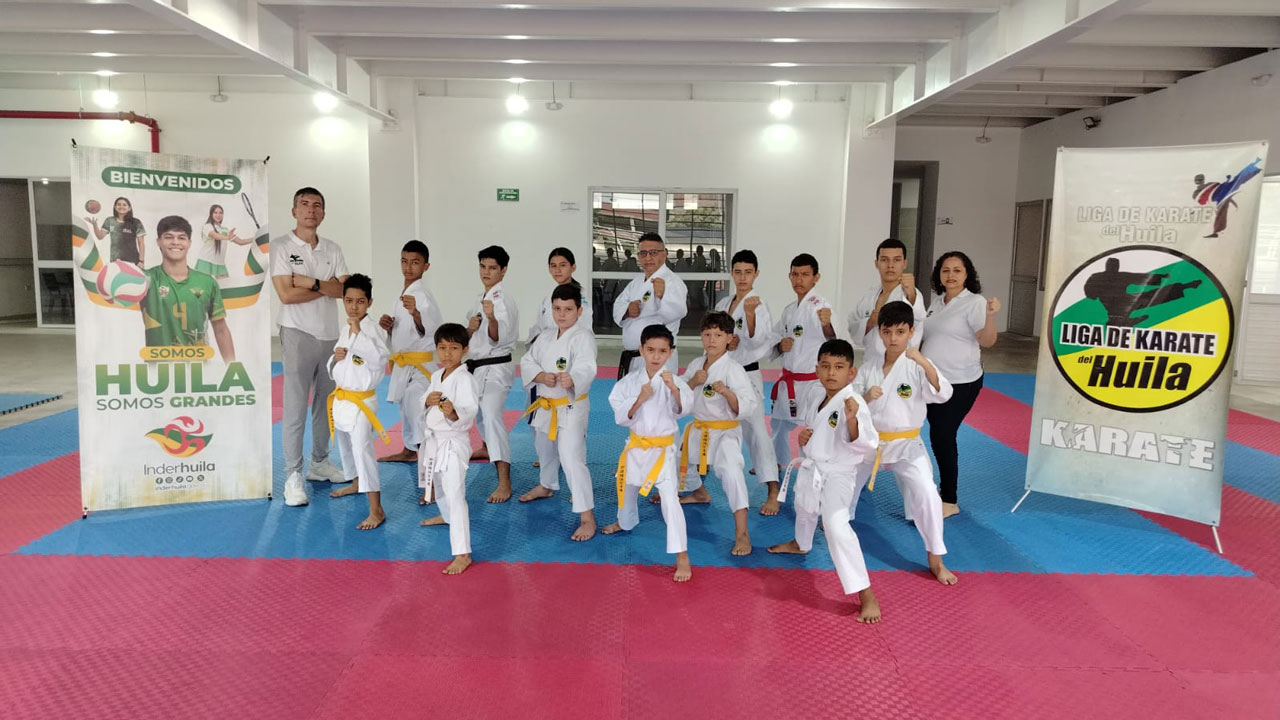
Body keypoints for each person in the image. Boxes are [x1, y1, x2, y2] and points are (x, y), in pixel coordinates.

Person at [767, 339, 882, 623]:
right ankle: (801, 543)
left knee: (835, 526)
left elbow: (867, 442)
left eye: (839, 367)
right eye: (826, 366)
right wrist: (805, 437)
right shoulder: (817, 393)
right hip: (814, 466)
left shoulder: (853, 403)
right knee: (804, 507)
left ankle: (865, 593)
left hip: (839, 474)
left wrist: (852, 421)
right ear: (817, 369)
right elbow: (815, 428)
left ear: (851, 373)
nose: (832, 373)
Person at [851, 301, 957, 586]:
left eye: (900, 332)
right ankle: (836, 523)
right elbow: (852, 404)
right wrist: (867, 397)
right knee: (844, 485)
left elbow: (943, 393)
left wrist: (923, 361)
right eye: (887, 332)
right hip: (871, 442)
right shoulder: (869, 367)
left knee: (928, 494)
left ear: (911, 332)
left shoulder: (917, 366)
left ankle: (936, 559)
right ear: (880, 333)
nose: (893, 338)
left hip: (907, 445)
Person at [270, 187, 349, 507]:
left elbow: (345, 290)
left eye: (317, 206)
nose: (310, 210)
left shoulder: (332, 248)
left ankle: (320, 462)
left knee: (325, 404)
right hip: (297, 332)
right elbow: (286, 295)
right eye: (304, 205)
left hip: (330, 335)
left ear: (323, 213)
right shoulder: (281, 246)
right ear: (294, 211)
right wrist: (326, 286)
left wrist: (309, 282)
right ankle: (292, 474)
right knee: (294, 407)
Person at [604, 323, 695, 582]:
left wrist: (674, 389)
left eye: (662, 351)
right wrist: (639, 400)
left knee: (669, 500)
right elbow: (620, 415)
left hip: (663, 451)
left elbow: (684, 409)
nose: (656, 356)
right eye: (651, 350)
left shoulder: (675, 382)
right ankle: (625, 522)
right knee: (627, 488)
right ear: (641, 349)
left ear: (670, 352)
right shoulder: (629, 382)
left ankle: (681, 554)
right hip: (636, 447)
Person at [922, 252, 1000, 518]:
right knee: (936, 435)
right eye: (946, 270)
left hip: (960, 382)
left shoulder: (975, 302)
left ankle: (949, 499)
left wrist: (990, 316)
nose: (951, 275)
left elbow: (987, 341)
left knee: (942, 436)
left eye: (957, 270)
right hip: (933, 381)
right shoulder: (937, 302)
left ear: (967, 275)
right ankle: (934, 490)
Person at [519, 283, 598, 541]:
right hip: (546, 404)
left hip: (571, 406)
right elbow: (527, 360)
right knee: (544, 449)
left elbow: (587, 366)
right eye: (557, 309)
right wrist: (540, 375)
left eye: (568, 309)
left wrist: (573, 378)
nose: (561, 314)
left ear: (579, 310)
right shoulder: (545, 336)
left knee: (571, 458)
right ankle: (547, 485)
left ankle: (587, 517)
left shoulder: (583, 337)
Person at [672, 312, 755, 556]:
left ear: (729, 338)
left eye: (718, 335)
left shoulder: (734, 369)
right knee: (675, 462)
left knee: (732, 473)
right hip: (699, 427)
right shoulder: (697, 365)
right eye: (707, 334)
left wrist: (728, 393)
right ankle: (700, 493)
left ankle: (742, 532)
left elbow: (748, 405)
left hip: (725, 432)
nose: (711, 339)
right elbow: (678, 394)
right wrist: (692, 382)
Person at [713, 250, 780, 514]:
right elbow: (713, 335)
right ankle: (695, 484)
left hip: (747, 374)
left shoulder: (758, 304)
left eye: (748, 272)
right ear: (731, 273)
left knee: (757, 432)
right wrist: (726, 342)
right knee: (708, 424)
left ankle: (773, 489)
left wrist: (749, 317)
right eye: (738, 272)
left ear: (756, 274)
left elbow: (760, 340)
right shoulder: (723, 303)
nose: (743, 277)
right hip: (721, 374)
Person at [325, 274, 391, 530]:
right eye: (349, 301)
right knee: (344, 444)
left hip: (362, 401)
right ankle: (354, 481)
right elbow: (335, 365)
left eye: (360, 301)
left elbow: (379, 359)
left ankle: (376, 509)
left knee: (363, 451)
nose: (354, 307)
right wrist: (335, 358)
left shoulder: (373, 330)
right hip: (342, 397)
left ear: (369, 302)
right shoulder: (345, 329)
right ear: (343, 300)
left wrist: (358, 334)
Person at [417, 322, 479, 575]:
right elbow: (423, 401)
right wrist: (427, 401)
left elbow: (470, 412)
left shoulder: (465, 379)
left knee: (455, 494)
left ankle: (463, 553)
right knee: (439, 486)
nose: (447, 354)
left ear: (465, 349)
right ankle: (446, 515)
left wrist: (453, 412)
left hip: (453, 443)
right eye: (442, 348)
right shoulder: (436, 376)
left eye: (454, 348)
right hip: (434, 440)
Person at [770, 253, 835, 481]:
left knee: (813, 429)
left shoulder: (821, 306)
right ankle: (778, 462)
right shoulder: (789, 310)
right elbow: (775, 338)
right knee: (778, 424)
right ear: (789, 276)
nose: (799, 279)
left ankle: (814, 468)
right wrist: (780, 345)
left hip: (811, 382)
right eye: (795, 274)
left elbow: (832, 338)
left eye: (805, 275)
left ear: (816, 277)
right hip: (789, 379)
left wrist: (827, 324)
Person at [379, 240, 443, 464]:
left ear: (426, 266)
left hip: (420, 364)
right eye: (404, 261)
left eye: (415, 262)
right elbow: (404, 333)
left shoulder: (422, 295)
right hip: (405, 363)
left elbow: (431, 328)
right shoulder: (403, 294)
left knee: (416, 405)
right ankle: (409, 449)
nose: (408, 267)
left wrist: (416, 313)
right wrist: (390, 327)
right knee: (405, 406)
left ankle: (426, 454)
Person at [139, 215, 236, 363]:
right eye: (168, 237)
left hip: (199, 369)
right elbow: (114, 290)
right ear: (158, 241)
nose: (175, 242)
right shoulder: (145, 279)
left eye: (181, 237)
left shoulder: (207, 282)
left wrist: (232, 367)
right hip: (158, 370)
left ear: (189, 243)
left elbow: (221, 329)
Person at [466, 245, 519, 503]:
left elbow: (499, 338)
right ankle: (487, 447)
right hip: (479, 367)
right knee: (478, 412)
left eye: (493, 268)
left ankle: (504, 482)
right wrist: (470, 327)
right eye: (483, 266)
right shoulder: (481, 297)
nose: (486, 272)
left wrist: (492, 319)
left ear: (503, 270)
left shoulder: (502, 300)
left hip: (496, 368)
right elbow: (472, 337)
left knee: (491, 415)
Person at [611, 232, 687, 379]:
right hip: (633, 357)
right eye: (643, 253)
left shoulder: (672, 281)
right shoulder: (636, 282)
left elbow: (679, 311)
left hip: (658, 359)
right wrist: (627, 310)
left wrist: (662, 296)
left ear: (664, 254)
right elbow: (618, 304)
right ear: (638, 257)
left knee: (656, 393)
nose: (648, 258)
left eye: (653, 252)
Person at [847, 238, 926, 365]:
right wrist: (870, 322)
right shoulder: (869, 296)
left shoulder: (911, 294)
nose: (890, 265)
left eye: (896, 260)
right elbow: (853, 328)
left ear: (904, 263)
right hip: (870, 364)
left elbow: (918, 318)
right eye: (884, 260)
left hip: (901, 365)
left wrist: (911, 294)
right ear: (876, 263)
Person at [196, 204, 253, 280]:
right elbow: (214, 235)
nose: (218, 215)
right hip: (206, 261)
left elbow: (241, 242)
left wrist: (257, 238)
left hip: (219, 263)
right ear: (211, 214)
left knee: (226, 285)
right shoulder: (207, 226)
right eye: (215, 212)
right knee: (203, 286)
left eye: (220, 213)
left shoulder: (225, 230)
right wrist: (227, 237)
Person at [87, 196, 145, 266]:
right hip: (115, 261)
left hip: (133, 261)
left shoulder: (136, 222)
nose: (121, 206)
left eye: (124, 205)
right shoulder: (110, 221)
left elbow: (141, 243)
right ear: (115, 207)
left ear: (129, 208)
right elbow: (100, 236)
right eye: (119, 204)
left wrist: (141, 261)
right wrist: (95, 225)